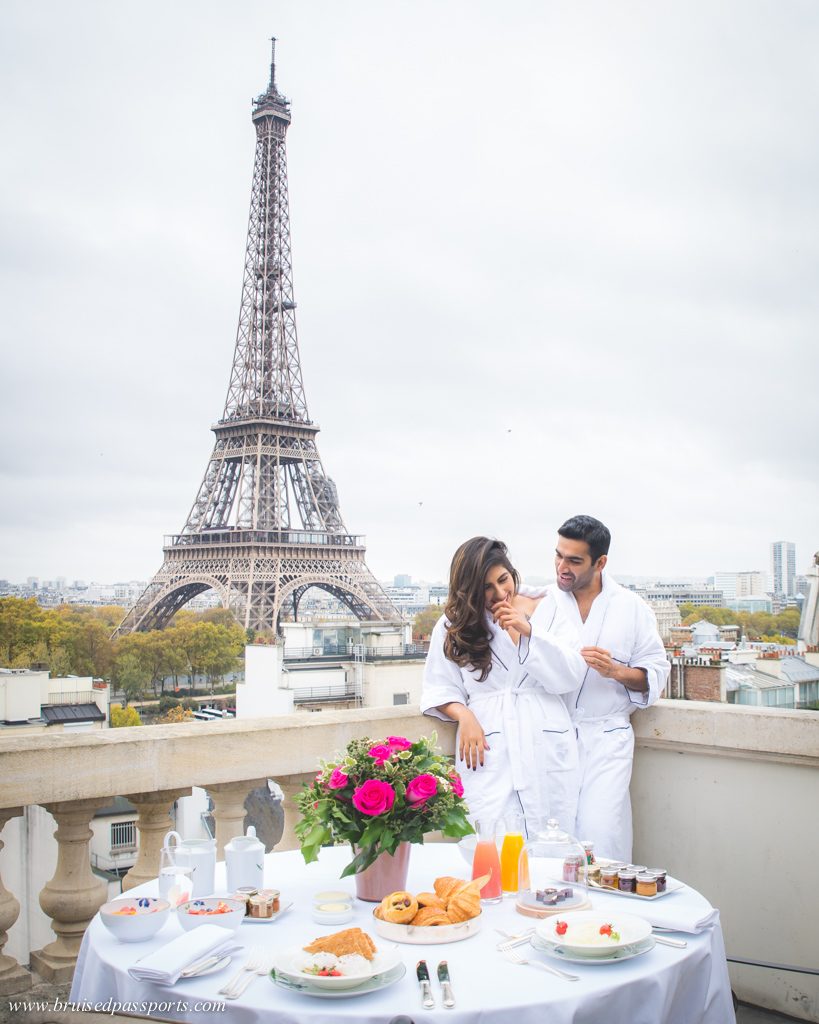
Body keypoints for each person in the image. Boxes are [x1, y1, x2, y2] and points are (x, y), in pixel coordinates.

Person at [421, 536, 587, 834]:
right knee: (490, 840)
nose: (500, 593)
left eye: (503, 580)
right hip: (488, 741)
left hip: (546, 737)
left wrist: (528, 631)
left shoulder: (548, 608)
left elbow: (572, 674)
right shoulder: (452, 625)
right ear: (470, 589)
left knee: (554, 837)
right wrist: (465, 715)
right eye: (487, 587)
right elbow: (440, 685)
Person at [549, 515, 670, 862]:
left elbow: (657, 669)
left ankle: (607, 914)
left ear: (600, 562)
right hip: (552, 737)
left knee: (602, 832)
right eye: (558, 555)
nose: (562, 567)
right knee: (551, 834)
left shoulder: (632, 607)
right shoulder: (544, 602)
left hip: (606, 738)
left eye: (574, 560)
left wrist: (616, 671)